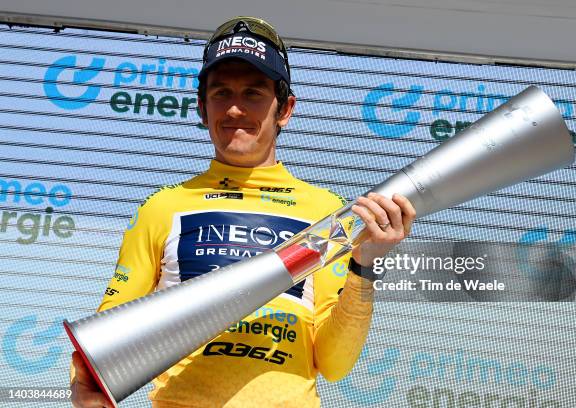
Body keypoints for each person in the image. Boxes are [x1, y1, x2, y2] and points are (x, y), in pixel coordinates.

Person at [70, 16, 416, 408]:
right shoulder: (163, 206)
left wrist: (363, 268)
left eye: (253, 93)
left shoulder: (324, 211)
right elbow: (106, 333)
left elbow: (334, 363)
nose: (235, 109)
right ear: (201, 108)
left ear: (284, 109)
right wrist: (87, 382)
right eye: (221, 93)